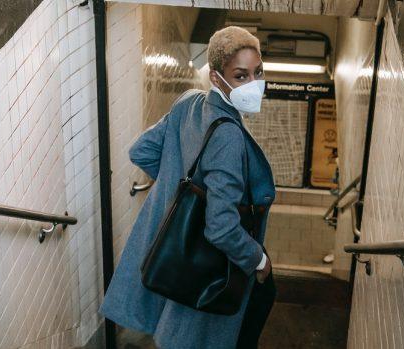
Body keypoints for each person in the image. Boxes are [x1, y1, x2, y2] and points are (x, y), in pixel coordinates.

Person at [99, 26, 277, 349]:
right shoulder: (228, 137)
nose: (253, 84)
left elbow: (142, 151)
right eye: (240, 76)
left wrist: (179, 190)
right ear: (216, 78)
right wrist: (258, 261)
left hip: (182, 258)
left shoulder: (189, 103)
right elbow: (221, 227)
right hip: (212, 270)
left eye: (258, 72)